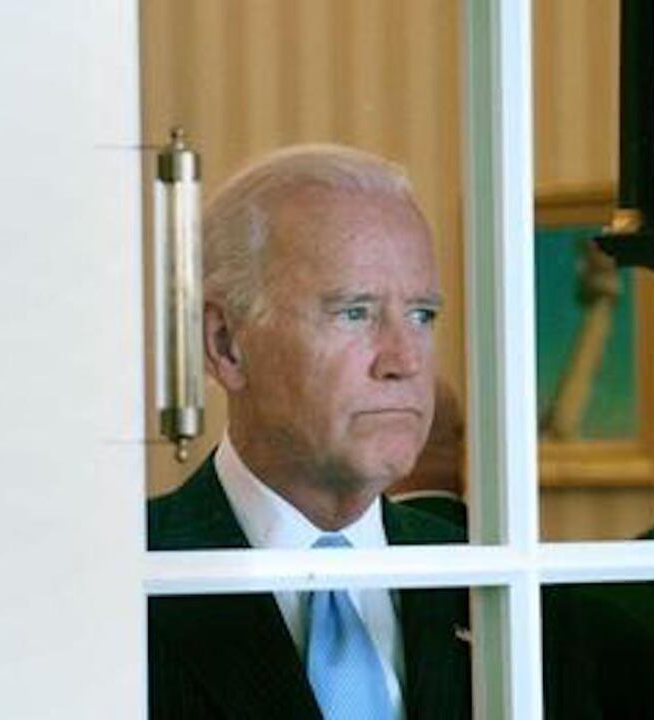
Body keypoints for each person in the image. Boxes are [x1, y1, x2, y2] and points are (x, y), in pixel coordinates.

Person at [148, 145, 471, 719]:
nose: (404, 361)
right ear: (226, 344)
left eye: (422, 315)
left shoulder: (496, 583)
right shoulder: (126, 578)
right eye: (355, 312)